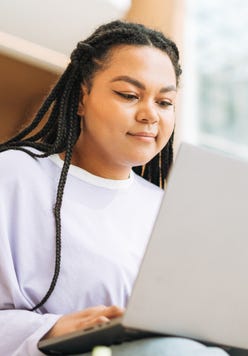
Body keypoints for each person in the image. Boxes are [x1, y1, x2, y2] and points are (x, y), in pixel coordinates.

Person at [0, 20, 229, 356]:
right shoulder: (15, 174)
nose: (150, 114)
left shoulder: (164, 207)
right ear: (81, 98)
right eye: (129, 95)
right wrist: (51, 329)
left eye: (165, 102)